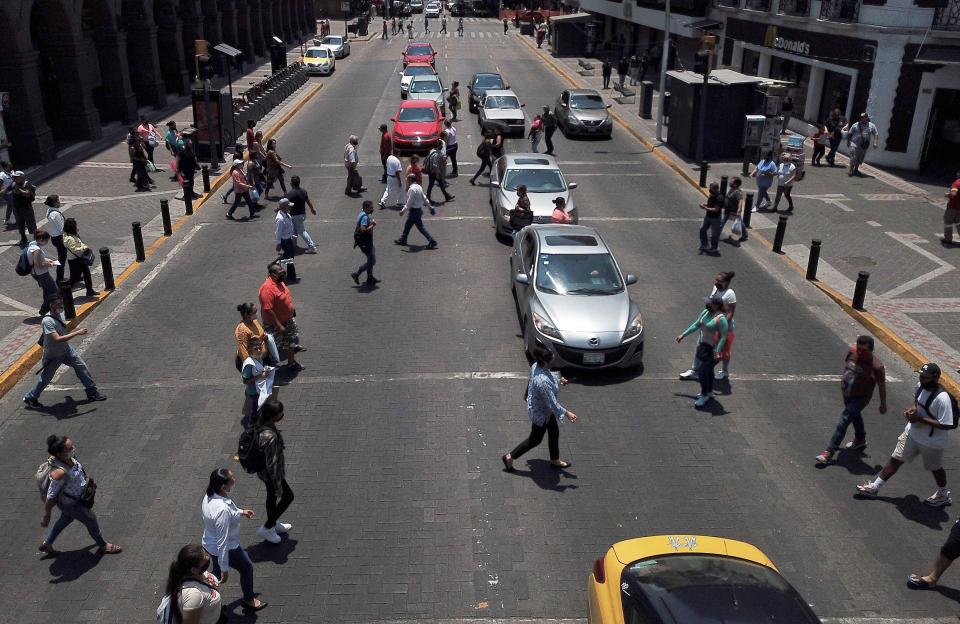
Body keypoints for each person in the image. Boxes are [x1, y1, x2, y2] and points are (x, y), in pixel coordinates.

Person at [857, 364, 956, 507]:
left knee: (935, 467)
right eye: (921, 375)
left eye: (925, 377)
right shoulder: (920, 386)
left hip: (931, 441)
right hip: (912, 432)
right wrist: (912, 410)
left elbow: (947, 424)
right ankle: (875, 487)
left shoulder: (942, 398)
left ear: (935, 378)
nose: (922, 379)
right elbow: (918, 403)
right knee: (896, 459)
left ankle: (943, 494)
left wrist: (920, 419)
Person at [39, 435, 121, 556]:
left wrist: (88, 483)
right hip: (71, 504)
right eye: (69, 448)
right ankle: (103, 545)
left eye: (72, 446)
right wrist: (46, 515)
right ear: (60, 454)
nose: (73, 448)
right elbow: (51, 495)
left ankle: (48, 543)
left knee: (66, 518)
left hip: (75, 499)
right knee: (90, 519)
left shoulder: (70, 458)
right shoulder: (59, 473)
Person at [200, 469, 268, 612]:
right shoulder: (222, 510)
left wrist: (241, 512)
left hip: (209, 544)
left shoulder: (210, 495)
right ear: (223, 487)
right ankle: (249, 599)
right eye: (232, 479)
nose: (235, 480)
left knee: (216, 573)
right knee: (246, 568)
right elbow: (222, 542)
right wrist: (226, 569)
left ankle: (202, 596)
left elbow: (228, 510)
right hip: (226, 547)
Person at [502, 348, 578, 472]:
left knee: (554, 432)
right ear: (546, 362)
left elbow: (545, 376)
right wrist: (567, 413)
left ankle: (555, 459)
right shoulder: (542, 382)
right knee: (535, 440)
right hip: (541, 413)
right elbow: (552, 403)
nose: (554, 361)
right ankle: (510, 457)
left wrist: (559, 379)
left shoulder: (536, 365)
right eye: (552, 360)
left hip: (542, 410)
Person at [814, 336, 888, 464]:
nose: (860, 353)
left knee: (844, 421)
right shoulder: (852, 354)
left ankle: (829, 453)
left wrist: (883, 404)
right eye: (858, 349)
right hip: (847, 393)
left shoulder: (877, 367)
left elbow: (882, 386)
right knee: (854, 416)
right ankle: (860, 439)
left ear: (871, 350)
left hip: (861, 397)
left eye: (864, 351)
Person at [23, 296, 107, 407]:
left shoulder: (60, 314)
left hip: (66, 350)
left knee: (81, 367)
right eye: (57, 304)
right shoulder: (47, 321)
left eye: (61, 303)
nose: (60, 306)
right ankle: (30, 397)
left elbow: (62, 331)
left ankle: (92, 392)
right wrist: (77, 333)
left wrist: (69, 399)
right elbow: (57, 339)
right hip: (53, 355)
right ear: (51, 305)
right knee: (46, 378)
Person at [675, 294, 728, 407]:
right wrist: (683, 335)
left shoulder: (720, 319)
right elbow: (696, 325)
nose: (707, 304)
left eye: (710, 303)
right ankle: (709, 391)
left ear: (716, 306)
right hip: (704, 347)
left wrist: (717, 351)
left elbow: (724, 336)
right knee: (708, 371)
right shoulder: (705, 312)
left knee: (703, 372)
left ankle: (704, 395)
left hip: (715, 350)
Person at [255, 399, 295, 545]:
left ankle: (273, 522)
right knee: (287, 496)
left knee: (271, 498)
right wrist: (277, 482)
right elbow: (271, 463)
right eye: (280, 413)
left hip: (266, 473)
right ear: (273, 415)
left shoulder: (262, 421)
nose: (282, 415)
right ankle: (268, 527)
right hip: (271, 474)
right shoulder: (269, 436)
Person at [258, 262, 304, 371]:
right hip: (277, 323)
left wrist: (291, 310)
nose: (283, 274)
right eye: (280, 273)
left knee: (289, 339)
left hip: (287, 319)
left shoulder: (280, 281)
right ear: (272, 275)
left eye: (283, 271)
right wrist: (278, 325)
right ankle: (265, 364)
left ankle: (291, 357)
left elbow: (285, 297)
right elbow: (267, 309)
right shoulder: (267, 288)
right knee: (273, 343)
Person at [162, 544, 223, 624]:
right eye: (205, 558)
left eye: (206, 553)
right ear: (194, 569)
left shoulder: (199, 573)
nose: (208, 557)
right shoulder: (193, 595)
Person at [395, 173, 438, 249]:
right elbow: (424, 198)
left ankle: (432, 241)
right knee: (407, 225)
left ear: (410, 180)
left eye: (407, 180)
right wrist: (430, 207)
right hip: (417, 211)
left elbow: (409, 202)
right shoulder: (418, 187)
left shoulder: (412, 189)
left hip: (414, 212)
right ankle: (403, 239)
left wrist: (403, 210)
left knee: (421, 227)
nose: (406, 181)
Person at [240, 337, 274, 428]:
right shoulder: (249, 364)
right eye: (256, 349)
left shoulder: (259, 358)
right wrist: (261, 376)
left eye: (260, 347)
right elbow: (245, 380)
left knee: (260, 406)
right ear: (250, 350)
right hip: (254, 391)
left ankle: (260, 422)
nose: (259, 350)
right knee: (255, 409)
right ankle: (252, 426)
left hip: (259, 389)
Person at [711, 272, 737, 380]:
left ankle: (724, 372)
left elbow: (731, 312)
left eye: (718, 281)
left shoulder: (730, 293)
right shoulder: (715, 288)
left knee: (724, 350)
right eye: (715, 280)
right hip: (714, 323)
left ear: (725, 282)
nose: (715, 282)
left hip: (725, 327)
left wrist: (723, 325)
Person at [62, 218, 98, 298]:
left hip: (79, 258)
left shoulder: (71, 235)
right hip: (75, 260)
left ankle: (89, 290)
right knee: (74, 279)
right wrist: (84, 248)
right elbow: (74, 249)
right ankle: (62, 294)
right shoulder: (69, 239)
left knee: (87, 274)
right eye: (75, 225)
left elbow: (79, 242)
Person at [27, 229, 59, 316]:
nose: (47, 242)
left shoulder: (32, 244)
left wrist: (47, 260)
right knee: (53, 290)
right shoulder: (36, 249)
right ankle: (45, 308)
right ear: (41, 239)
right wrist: (48, 264)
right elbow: (37, 264)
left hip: (38, 273)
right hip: (41, 274)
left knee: (47, 290)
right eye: (46, 240)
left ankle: (46, 309)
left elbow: (37, 260)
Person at [286, 175, 317, 254]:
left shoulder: (290, 193)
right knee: (294, 230)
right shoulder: (303, 191)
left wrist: (279, 210)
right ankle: (293, 244)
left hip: (294, 215)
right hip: (302, 214)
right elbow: (308, 200)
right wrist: (312, 209)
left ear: (291, 184)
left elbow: (285, 204)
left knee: (302, 231)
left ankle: (312, 246)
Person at [351, 200, 379, 286]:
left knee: (370, 259)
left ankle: (370, 278)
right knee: (372, 262)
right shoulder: (364, 217)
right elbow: (363, 229)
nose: (373, 209)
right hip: (365, 243)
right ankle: (357, 273)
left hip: (367, 242)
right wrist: (372, 225)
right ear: (366, 208)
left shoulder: (362, 213)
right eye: (371, 207)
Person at [844, 112, 879, 177]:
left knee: (860, 158)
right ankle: (851, 169)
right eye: (861, 117)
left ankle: (856, 169)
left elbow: (876, 134)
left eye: (864, 117)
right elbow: (850, 133)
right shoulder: (855, 124)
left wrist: (875, 142)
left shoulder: (871, 125)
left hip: (864, 145)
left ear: (867, 118)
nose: (862, 118)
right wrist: (848, 141)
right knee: (853, 157)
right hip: (854, 143)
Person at [44, 195, 67, 283]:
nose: (59, 202)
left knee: (63, 257)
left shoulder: (50, 210)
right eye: (58, 200)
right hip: (59, 238)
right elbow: (61, 228)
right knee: (62, 259)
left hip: (55, 238)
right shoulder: (55, 214)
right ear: (55, 203)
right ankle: (59, 278)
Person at [11, 170, 37, 246]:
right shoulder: (14, 184)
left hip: (26, 209)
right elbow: (5, 191)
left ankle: (36, 238)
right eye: (14, 177)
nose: (14, 179)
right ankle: (23, 238)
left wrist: (18, 189)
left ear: (22, 177)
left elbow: (27, 194)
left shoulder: (27, 184)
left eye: (16, 177)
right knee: (20, 225)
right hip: (16, 209)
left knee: (32, 226)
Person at [697, 182, 723, 254]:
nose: (710, 190)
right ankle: (704, 245)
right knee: (702, 229)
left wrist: (705, 208)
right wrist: (704, 204)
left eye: (711, 189)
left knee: (714, 234)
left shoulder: (719, 198)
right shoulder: (712, 195)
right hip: (708, 216)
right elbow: (710, 204)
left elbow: (716, 209)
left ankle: (714, 248)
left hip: (715, 218)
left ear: (716, 189)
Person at [719, 177, 746, 242]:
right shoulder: (732, 189)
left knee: (740, 223)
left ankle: (745, 235)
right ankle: (716, 235)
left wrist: (739, 211)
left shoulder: (738, 192)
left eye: (732, 182)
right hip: (727, 210)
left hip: (733, 211)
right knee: (721, 222)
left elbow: (740, 200)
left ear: (736, 184)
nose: (730, 183)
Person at [944, 169, 960, 247]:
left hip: (953, 207)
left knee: (948, 223)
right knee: (959, 223)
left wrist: (948, 195)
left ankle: (948, 240)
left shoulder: (957, 183)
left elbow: (953, 194)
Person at [1, 160, 14, 228]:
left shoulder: (11, 172)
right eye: (9, 164)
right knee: (12, 205)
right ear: (6, 167)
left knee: (11, 205)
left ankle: (7, 219)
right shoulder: (2, 175)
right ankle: (7, 219)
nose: (11, 165)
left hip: (13, 191)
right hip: (6, 193)